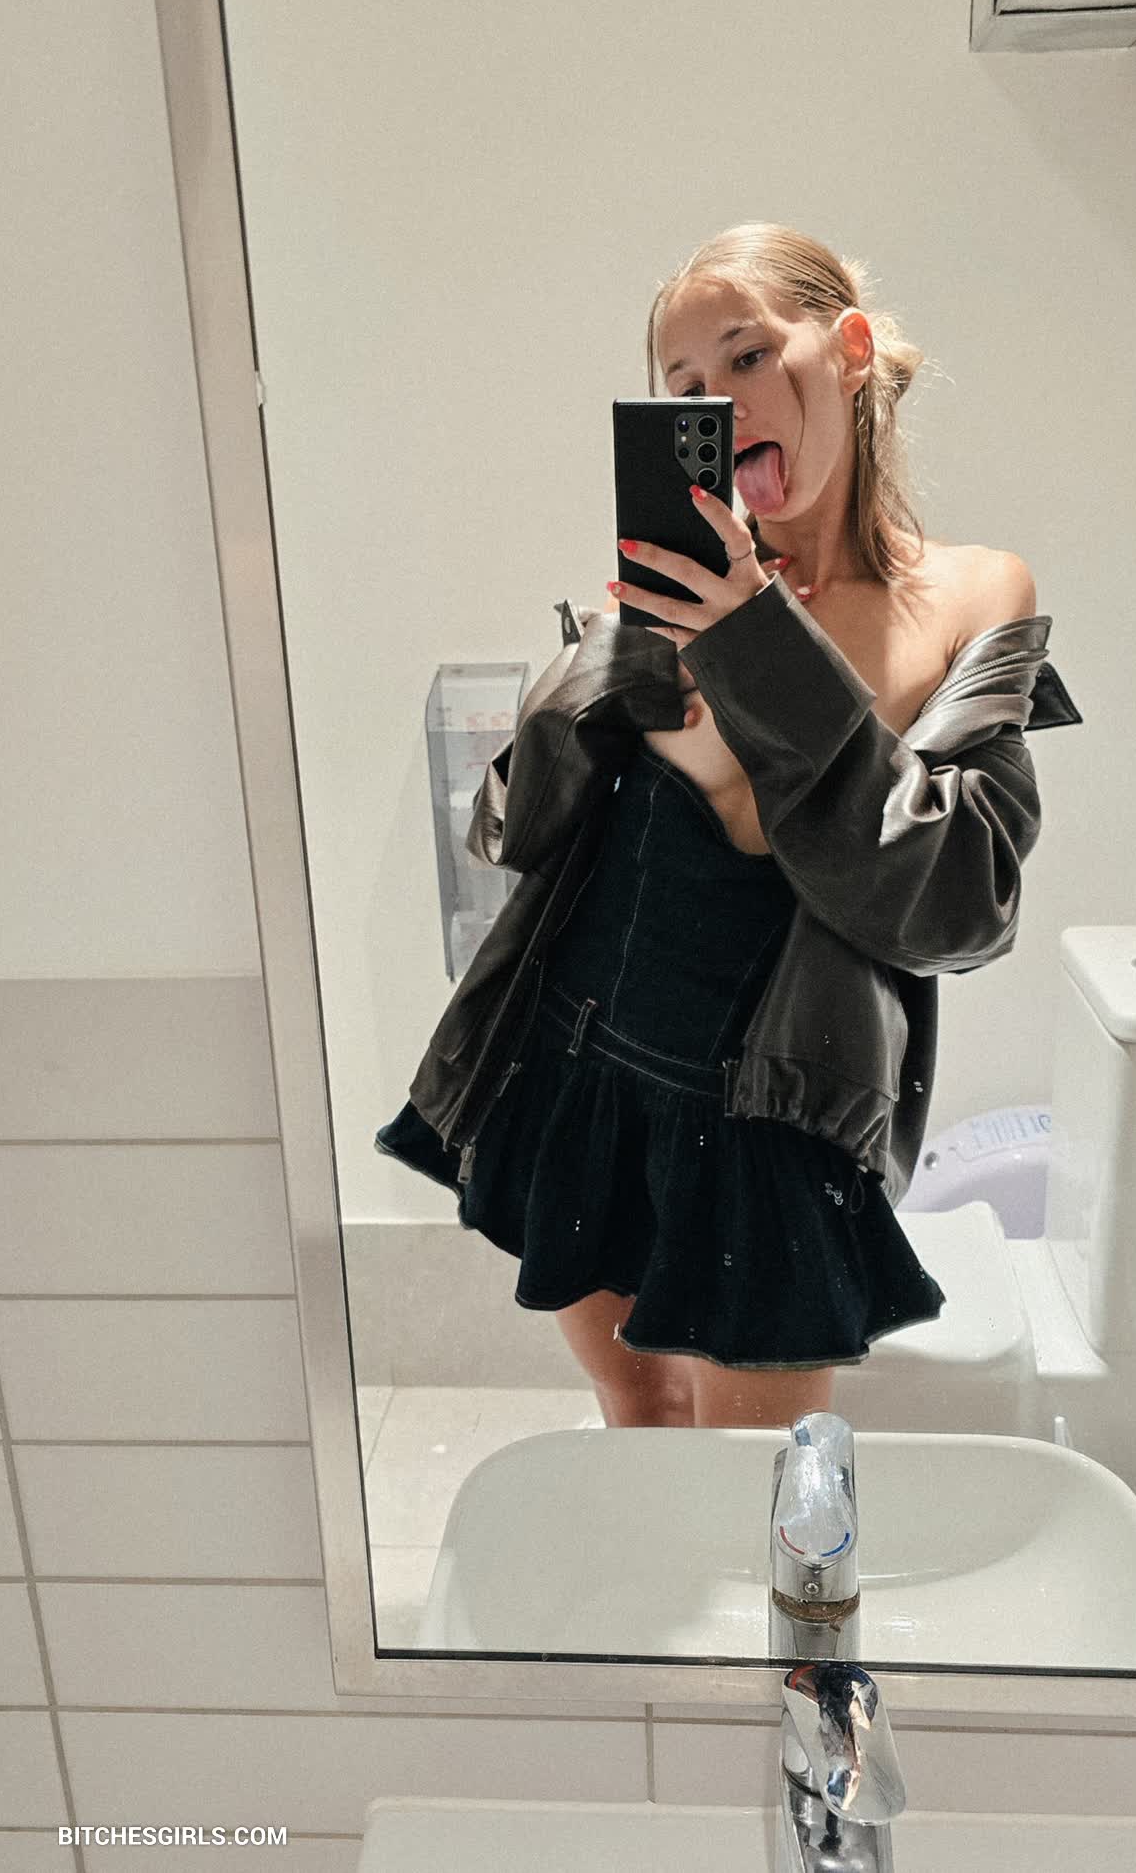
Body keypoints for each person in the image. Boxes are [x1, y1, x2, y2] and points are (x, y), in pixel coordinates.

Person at [376, 221, 1059, 1432]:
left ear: (849, 349)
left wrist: (760, 648)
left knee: (758, 1473)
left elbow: (960, 900)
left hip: (775, 1121)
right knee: (635, 1407)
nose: (722, 399)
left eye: (748, 356)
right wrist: (599, 666)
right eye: (686, 383)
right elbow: (513, 830)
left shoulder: (970, 593)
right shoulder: (674, 598)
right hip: (581, 1055)